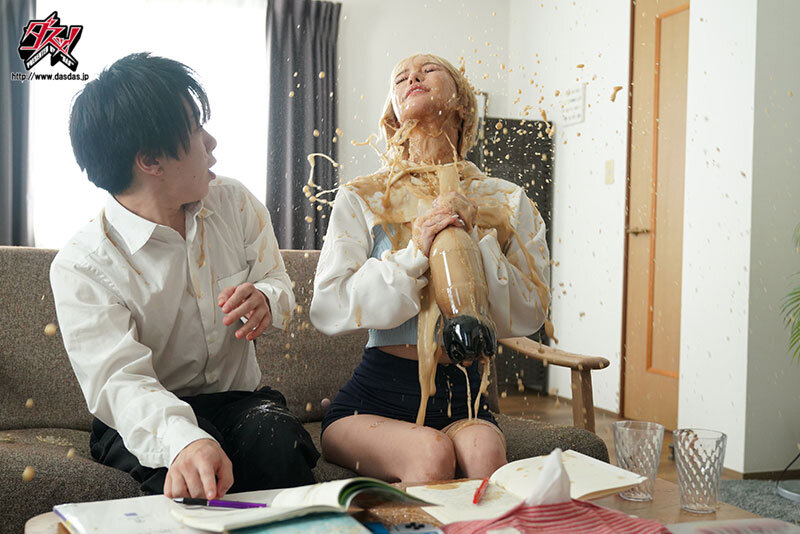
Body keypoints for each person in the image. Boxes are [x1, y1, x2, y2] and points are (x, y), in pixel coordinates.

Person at [50, 53, 319, 500]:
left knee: (278, 443)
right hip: (144, 413)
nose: (211, 142)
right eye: (195, 129)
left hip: (240, 402)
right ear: (150, 160)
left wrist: (267, 298)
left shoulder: (233, 203)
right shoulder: (84, 265)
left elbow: (278, 283)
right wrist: (184, 440)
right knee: (188, 484)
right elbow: (120, 382)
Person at [310, 53, 551, 483]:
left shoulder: (508, 200)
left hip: (465, 400)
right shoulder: (363, 197)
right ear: (393, 115)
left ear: (463, 103)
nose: (412, 78)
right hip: (374, 400)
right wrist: (415, 252)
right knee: (431, 456)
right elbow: (329, 306)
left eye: (429, 70)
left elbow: (532, 311)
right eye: (400, 78)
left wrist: (477, 239)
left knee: (484, 457)